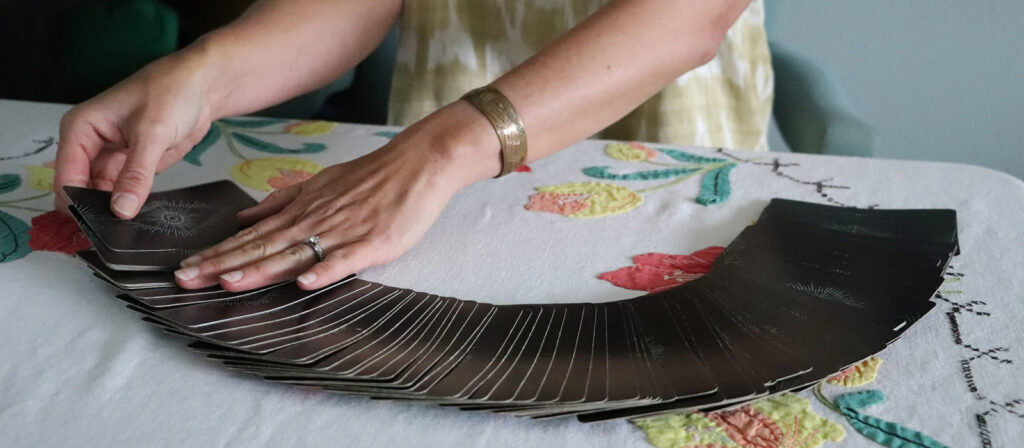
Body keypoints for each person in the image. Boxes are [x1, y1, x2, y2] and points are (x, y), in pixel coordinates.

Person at [53, 0, 771, 293]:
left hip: (651, 158)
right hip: (435, 187)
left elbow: (689, 12)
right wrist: (200, 77)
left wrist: (441, 152)